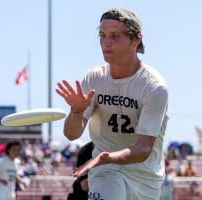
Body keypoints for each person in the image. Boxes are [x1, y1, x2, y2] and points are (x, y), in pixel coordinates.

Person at [56, 8, 169, 200]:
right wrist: (76, 111)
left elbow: (143, 149)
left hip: (145, 177)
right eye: (102, 35)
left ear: (136, 40)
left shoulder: (154, 87)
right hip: (105, 170)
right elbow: (72, 134)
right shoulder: (94, 78)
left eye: (115, 36)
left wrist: (106, 156)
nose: (106, 43)